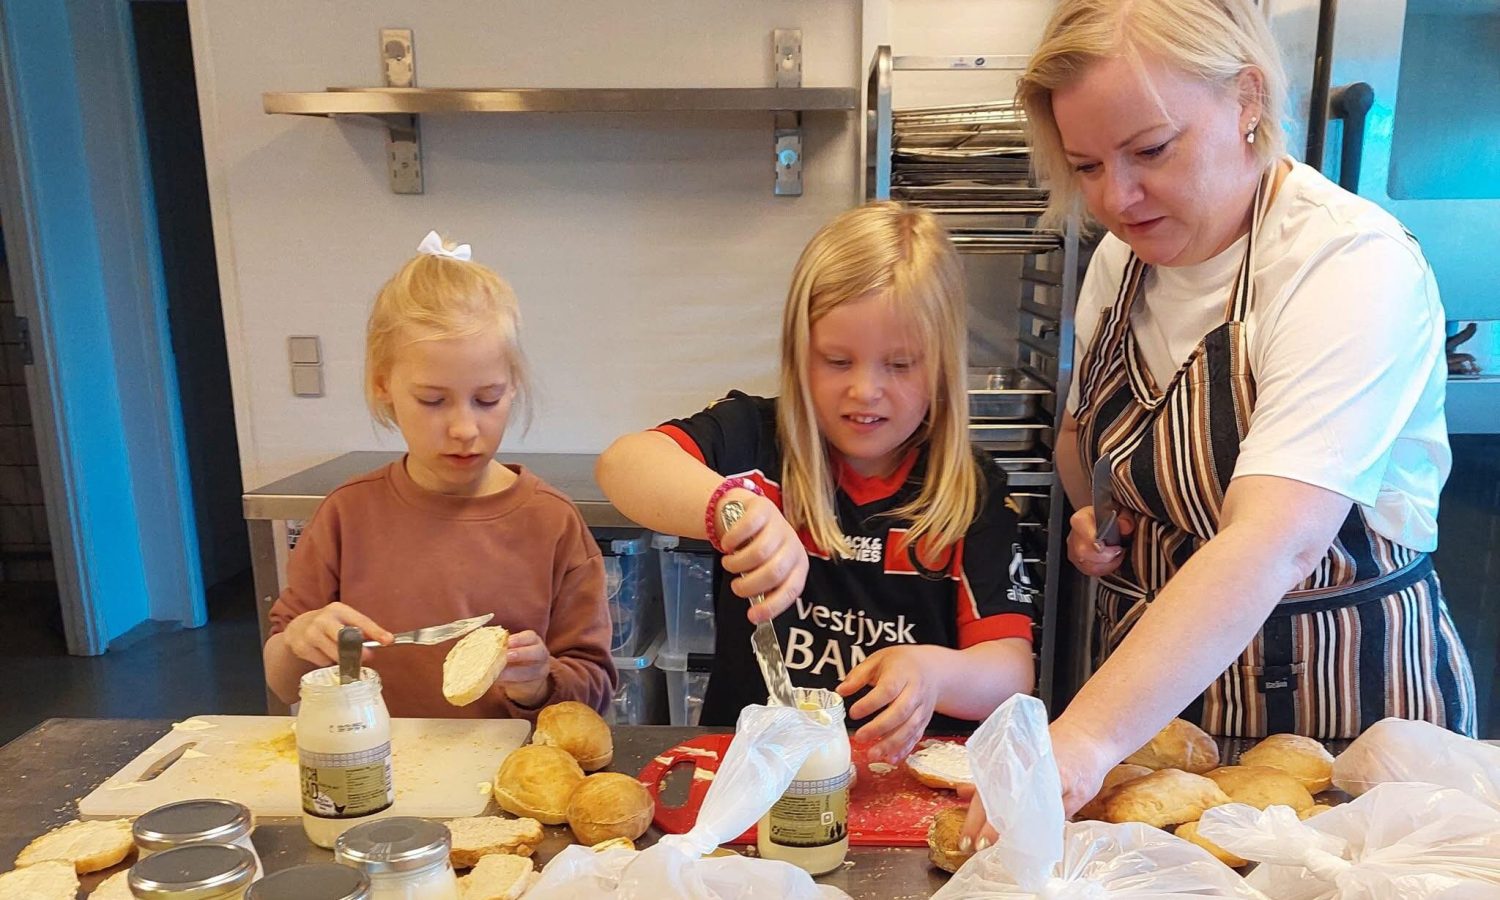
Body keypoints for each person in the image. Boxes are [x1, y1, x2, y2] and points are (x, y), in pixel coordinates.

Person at [965, 0, 1476, 842]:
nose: (1116, 197)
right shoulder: (1125, 265)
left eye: (1151, 151)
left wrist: (1084, 738)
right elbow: (1084, 434)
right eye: (1087, 165)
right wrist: (1095, 504)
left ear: (1247, 101)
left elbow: (1275, 540)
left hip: (1347, 722)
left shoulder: (1346, 265)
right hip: (1163, 716)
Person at [596, 202, 1038, 763]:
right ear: (799, 354)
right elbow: (623, 463)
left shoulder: (971, 492)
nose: (864, 390)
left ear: (942, 367)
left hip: (902, 776)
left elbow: (1010, 670)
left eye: (899, 365)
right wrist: (728, 507)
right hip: (754, 772)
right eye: (836, 360)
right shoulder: (754, 439)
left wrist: (935, 671)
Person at [263, 231, 616, 719]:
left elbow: (594, 688)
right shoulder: (347, 515)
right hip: (376, 770)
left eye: (488, 399)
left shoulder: (551, 523)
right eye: (432, 400)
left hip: (508, 773)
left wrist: (538, 685)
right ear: (382, 384)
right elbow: (283, 682)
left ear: (513, 386)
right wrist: (299, 643)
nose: (465, 428)